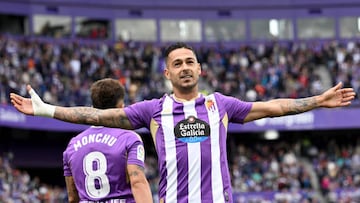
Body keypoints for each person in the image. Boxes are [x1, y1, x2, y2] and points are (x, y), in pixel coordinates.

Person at [10, 42, 356, 203]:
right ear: (167, 73)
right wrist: (46, 110)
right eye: (178, 63)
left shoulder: (220, 104)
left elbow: (272, 107)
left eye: (190, 61)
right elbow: (98, 116)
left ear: (200, 69)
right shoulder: (152, 110)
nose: (185, 67)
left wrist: (317, 100)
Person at [62, 78, 153, 203]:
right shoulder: (129, 138)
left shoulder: (72, 145)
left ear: (91, 108)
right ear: (121, 107)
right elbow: (137, 182)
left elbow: (72, 198)